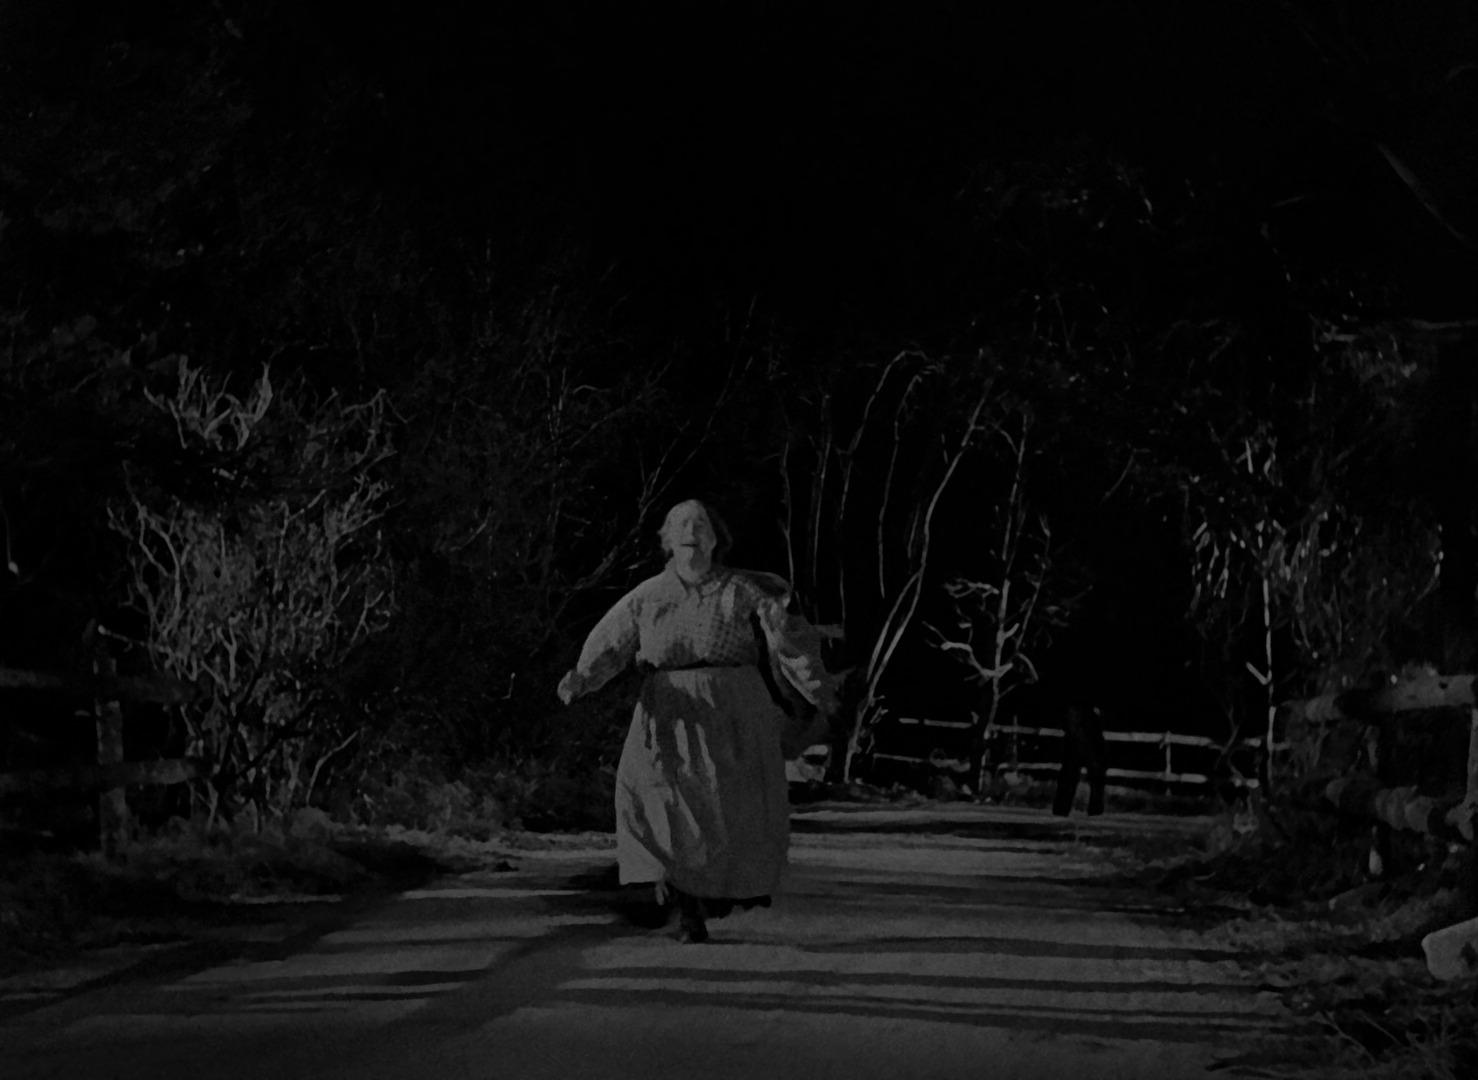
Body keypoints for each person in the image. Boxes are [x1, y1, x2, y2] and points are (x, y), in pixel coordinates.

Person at [557, 499, 837, 943]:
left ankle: (717, 890)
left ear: (715, 539)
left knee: (726, 807)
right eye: (681, 524)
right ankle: (684, 899)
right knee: (660, 800)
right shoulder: (648, 596)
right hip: (669, 710)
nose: (691, 531)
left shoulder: (741, 592)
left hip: (733, 710)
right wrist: (582, 678)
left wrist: (820, 690)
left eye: (701, 523)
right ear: (667, 540)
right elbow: (612, 641)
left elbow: (787, 641)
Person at [1052, 702, 1107, 817]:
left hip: (1086, 739)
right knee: (1070, 772)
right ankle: (1062, 808)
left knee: (1094, 773)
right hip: (1079, 739)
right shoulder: (1076, 712)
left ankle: (1094, 809)